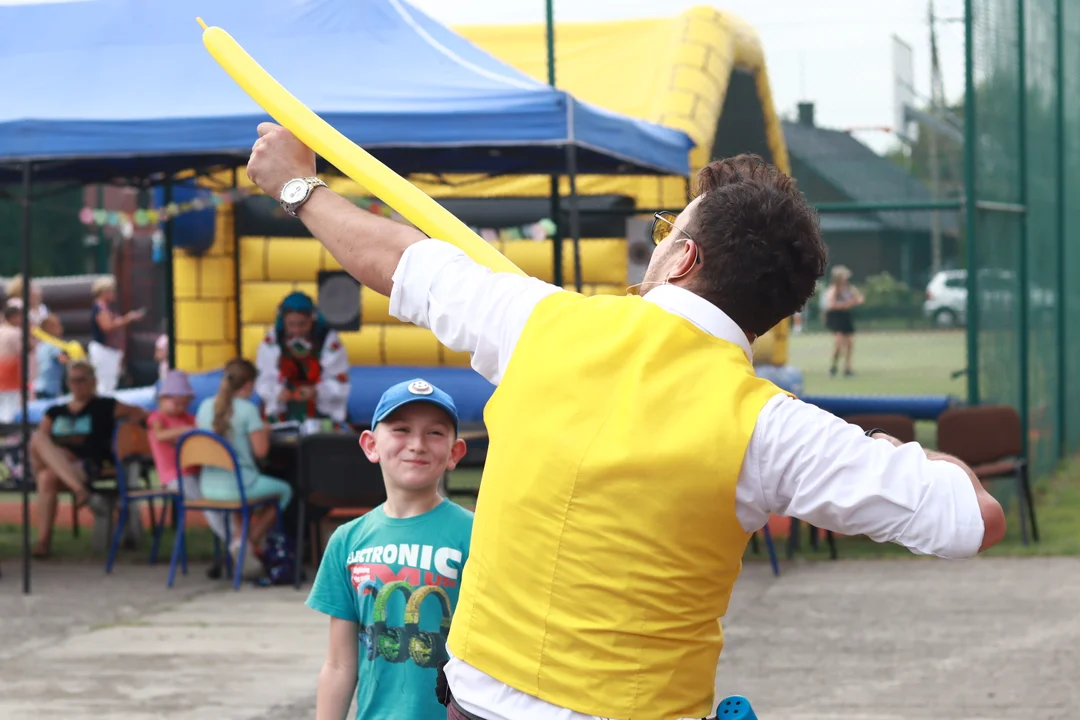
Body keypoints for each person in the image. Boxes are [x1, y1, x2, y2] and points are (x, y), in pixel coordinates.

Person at [248, 127, 1006, 720]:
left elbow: (397, 261)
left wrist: (295, 185)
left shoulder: (543, 323)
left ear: (680, 259)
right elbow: (975, 521)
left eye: (669, 227)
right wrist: (920, 459)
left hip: (480, 704)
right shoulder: (773, 428)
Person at [306, 378, 472, 720]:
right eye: (401, 429)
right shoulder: (347, 540)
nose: (417, 444)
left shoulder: (477, 535)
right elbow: (338, 665)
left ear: (455, 452)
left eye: (435, 433)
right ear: (371, 445)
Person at [29, 360, 147, 558]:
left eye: (81, 380)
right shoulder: (54, 412)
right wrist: (60, 455)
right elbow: (40, 448)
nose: (76, 385)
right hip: (56, 463)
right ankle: (79, 490)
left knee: (46, 478)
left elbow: (141, 414)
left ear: (93, 381)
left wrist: (128, 431)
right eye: (72, 380)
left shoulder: (105, 406)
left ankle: (44, 541)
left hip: (86, 465)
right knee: (38, 439)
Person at [195, 357, 293, 576]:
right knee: (284, 491)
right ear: (249, 384)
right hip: (239, 484)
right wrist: (264, 431)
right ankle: (245, 544)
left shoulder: (204, 407)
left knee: (244, 499)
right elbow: (261, 452)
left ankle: (240, 546)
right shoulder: (248, 409)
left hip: (208, 485)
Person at [147, 369, 228, 544]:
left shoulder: (190, 418)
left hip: (198, 471)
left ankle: (235, 541)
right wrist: (184, 430)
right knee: (208, 505)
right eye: (175, 403)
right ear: (162, 399)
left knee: (221, 499)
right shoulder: (157, 417)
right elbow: (159, 435)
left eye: (184, 404)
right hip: (175, 476)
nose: (180, 408)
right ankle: (235, 543)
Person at [255, 291, 350, 425]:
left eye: (302, 324)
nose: (297, 330)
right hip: (283, 411)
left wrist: (317, 391)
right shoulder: (273, 339)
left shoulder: (328, 339)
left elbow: (339, 379)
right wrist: (277, 392)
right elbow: (264, 377)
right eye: (291, 324)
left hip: (320, 412)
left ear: (312, 318)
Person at [88, 276, 145, 395]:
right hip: (103, 351)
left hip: (110, 351)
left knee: (110, 382)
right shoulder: (100, 308)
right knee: (105, 383)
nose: (114, 293)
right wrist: (127, 318)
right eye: (111, 291)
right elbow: (107, 327)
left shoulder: (107, 308)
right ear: (103, 292)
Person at [823, 264, 864, 377]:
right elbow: (831, 304)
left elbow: (860, 299)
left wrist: (853, 302)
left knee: (850, 342)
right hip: (836, 317)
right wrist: (846, 304)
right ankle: (833, 366)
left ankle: (848, 368)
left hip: (846, 316)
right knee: (839, 343)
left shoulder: (849, 288)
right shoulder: (833, 290)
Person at [0, 304, 26, 422]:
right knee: (11, 403)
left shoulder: (1, 330)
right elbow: (21, 350)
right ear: (13, 317)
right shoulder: (15, 332)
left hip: (2, 368)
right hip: (11, 370)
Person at [34, 314, 69, 402]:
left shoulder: (40, 344)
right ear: (49, 329)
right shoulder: (53, 345)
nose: (61, 328)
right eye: (58, 325)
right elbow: (63, 360)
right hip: (49, 388)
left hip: (40, 386)